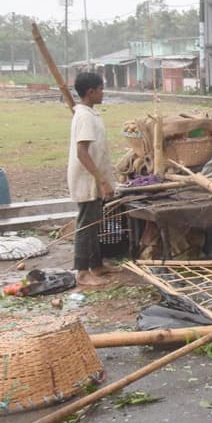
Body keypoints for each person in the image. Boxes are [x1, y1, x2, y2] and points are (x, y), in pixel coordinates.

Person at [67, 72, 117, 285]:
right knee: (86, 225)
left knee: (95, 222)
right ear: (91, 92)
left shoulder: (89, 114)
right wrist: (101, 180)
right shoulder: (85, 117)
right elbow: (82, 152)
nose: (103, 93)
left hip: (94, 178)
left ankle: (96, 264)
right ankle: (82, 271)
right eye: (101, 89)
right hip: (88, 180)